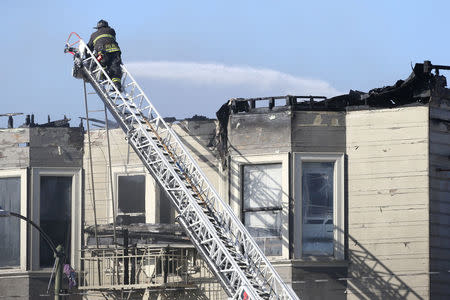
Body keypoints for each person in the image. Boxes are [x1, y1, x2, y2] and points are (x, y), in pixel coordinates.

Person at [87, 19, 123, 92]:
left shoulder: (94, 35)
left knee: (102, 66)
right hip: (115, 52)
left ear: (98, 28)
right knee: (116, 68)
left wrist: (88, 59)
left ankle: (106, 78)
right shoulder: (112, 31)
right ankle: (117, 85)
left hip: (103, 53)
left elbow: (89, 47)